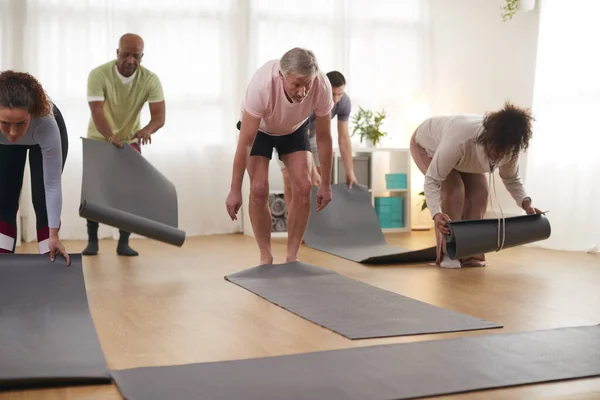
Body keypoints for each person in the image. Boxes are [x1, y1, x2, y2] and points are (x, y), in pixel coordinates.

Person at [226, 47, 334, 265]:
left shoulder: (322, 85)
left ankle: (292, 257)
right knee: (258, 188)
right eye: (296, 84)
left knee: (304, 187)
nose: (302, 92)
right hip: (260, 131)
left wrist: (326, 184)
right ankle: (265, 256)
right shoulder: (262, 85)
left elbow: (324, 137)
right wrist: (234, 190)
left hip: (293, 129)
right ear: (281, 75)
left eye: (307, 84)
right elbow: (245, 142)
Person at [410, 101, 543, 268]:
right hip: (426, 145)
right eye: (497, 149)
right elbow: (433, 180)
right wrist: (436, 214)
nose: (499, 155)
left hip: (461, 157)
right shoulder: (460, 140)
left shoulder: (511, 148)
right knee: (454, 190)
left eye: (505, 151)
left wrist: (526, 204)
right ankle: (449, 253)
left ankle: (471, 253)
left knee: (480, 192)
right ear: (487, 138)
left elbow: (511, 179)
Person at [83, 33, 166, 257]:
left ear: (142, 56)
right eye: (126, 54)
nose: (131, 60)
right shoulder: (98, 75)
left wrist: (147, 130)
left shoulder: (150, 79)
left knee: (129, 193)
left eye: (136, 56)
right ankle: (92, 241)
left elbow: (159, 116)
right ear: (117, 53)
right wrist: (109, 135)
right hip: (99, 138)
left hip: (129, 140)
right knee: (95, 193)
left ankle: (124, 243)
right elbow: (97, 111)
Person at [0, 70, 70, 265]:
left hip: (42, 135)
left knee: (42, 200)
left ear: (31, 114)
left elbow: (53, 186)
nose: (13, 133)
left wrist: (54, 236)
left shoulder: (45, 122)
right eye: (5, 123)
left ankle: (48, 255)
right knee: (4, 199)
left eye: (21, 123)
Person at [278, 70, 357, 207]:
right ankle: (292, 220)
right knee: (290, 178)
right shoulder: (309, 99)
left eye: (340, 94)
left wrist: (350, 171)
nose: (336, 99)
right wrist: (312, 171)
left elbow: (343, 138)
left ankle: (314, 222)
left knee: (320, 178)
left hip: (313, 135)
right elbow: (301, 136)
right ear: (324, 88)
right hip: (287, 134)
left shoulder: (344, 102)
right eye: (333, 94)